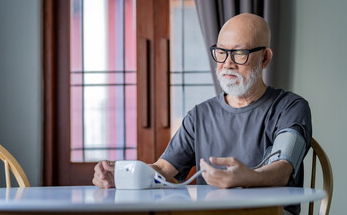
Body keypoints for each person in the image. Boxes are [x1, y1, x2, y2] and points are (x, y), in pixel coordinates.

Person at [93, 13, 312, 215]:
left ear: (265, 58)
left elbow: (283, 169)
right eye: (221, 52)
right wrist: (120, 175)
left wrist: (248, 177)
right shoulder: (199, 116)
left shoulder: (291, 107)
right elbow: (162, 169)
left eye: (239, 53)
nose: (227, 63)